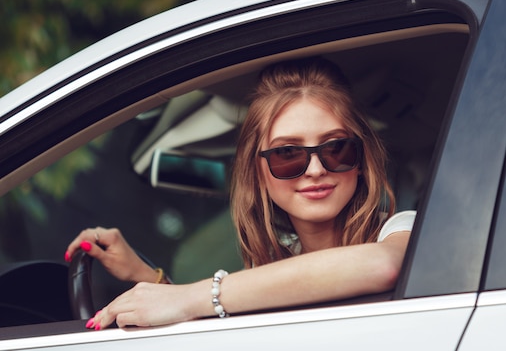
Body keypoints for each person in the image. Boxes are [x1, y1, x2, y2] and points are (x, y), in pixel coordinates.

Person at [65, 57, 416, 330]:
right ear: (258, 172)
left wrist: (190, 297)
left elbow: (383, 266)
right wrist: (145, 277)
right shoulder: (275, 263)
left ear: (361, 158)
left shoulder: (403, 229)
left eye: (336, 147)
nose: (315, 169)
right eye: (287, 154)